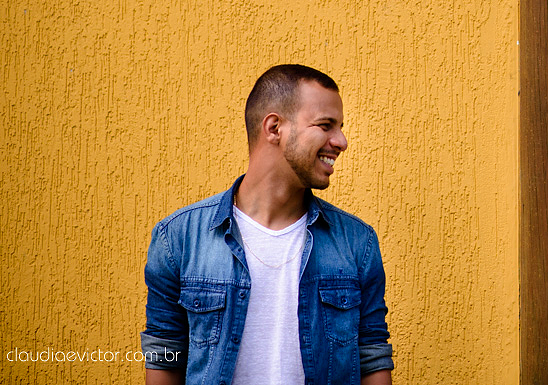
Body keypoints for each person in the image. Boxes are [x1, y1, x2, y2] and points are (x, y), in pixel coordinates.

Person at [140, 65, 393, 385]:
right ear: (274, 128)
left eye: (340, 127)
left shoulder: (357, 242)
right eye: (326, 125)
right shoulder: (179, 239)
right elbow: (165, 355)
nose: (341, 141)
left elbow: (372, 356)